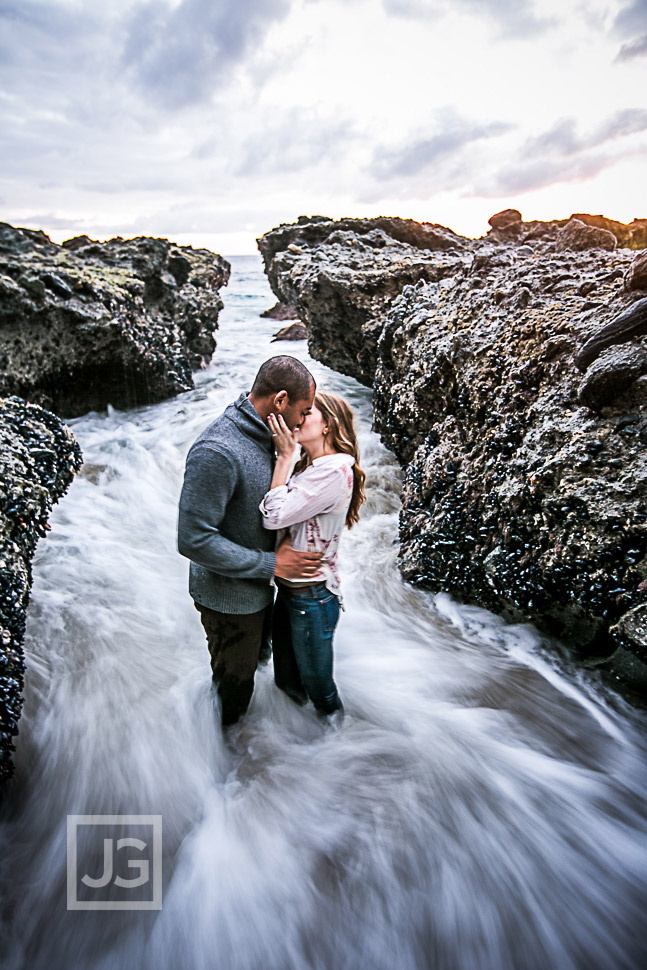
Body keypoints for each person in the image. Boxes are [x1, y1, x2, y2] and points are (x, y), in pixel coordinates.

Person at [177, 356, 323, 726]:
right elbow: (193, 540)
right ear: (280, 401)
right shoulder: (217, 451)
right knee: (234, 687)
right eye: (303, 411)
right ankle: (227, 759)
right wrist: (273, 564)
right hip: (228, 601)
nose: (305, 421)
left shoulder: (270, 437)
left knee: (257, 662)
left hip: (259, 591)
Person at [259, 391, 366, 721]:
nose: (298, 418)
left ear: (327, 425)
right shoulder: (313, 466)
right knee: (287, 681)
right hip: (291, 593)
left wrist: (282, 458)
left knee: (320, 688)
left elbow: (273, 517)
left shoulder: (332, 472)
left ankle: (340, 742)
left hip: (312, 598)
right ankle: (296, 743)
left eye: (308, 413)